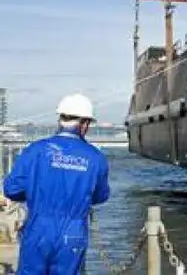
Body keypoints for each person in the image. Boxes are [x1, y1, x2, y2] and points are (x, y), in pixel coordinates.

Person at [3, 93, 110, 274]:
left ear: (60, 120)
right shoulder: (95, 157)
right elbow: (101, 196)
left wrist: (34, 193)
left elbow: (11, 189)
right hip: (73, 232)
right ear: (84, 124)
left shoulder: (35, 150)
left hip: (38, 229)